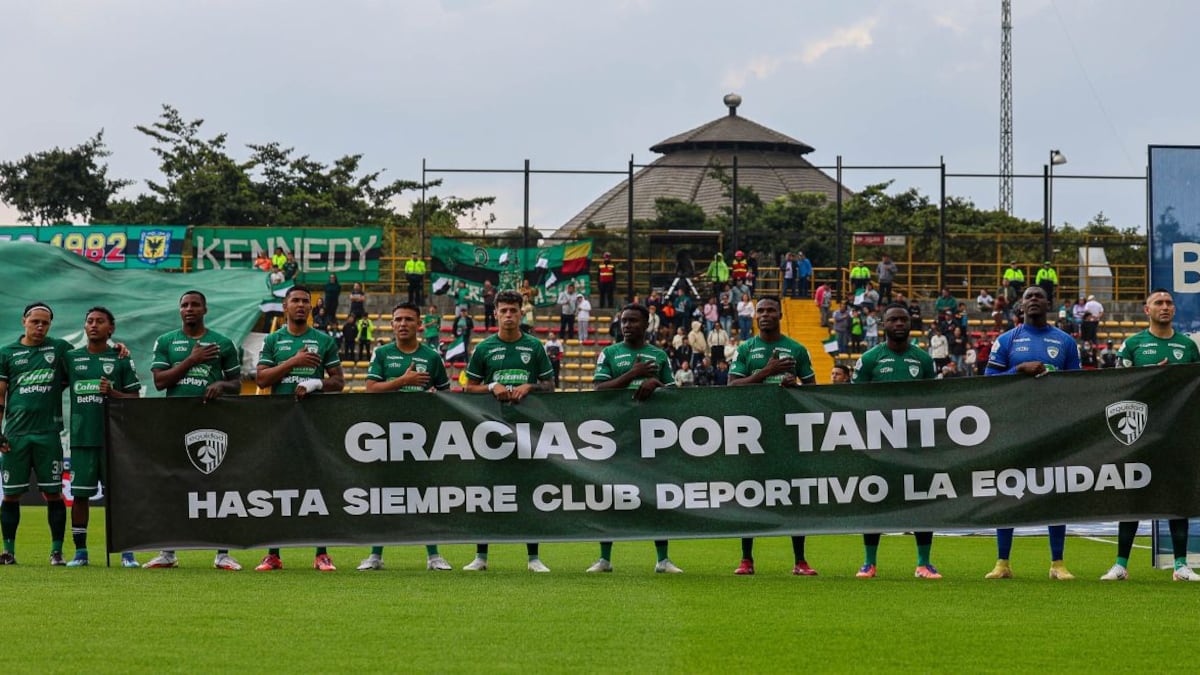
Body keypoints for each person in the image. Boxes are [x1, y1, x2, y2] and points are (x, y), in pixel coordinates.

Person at [140, 291, 245, 570]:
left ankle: (223, 553)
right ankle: (167, 552)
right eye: (184, 305)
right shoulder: (166, 341)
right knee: (172, 485)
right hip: (175, 421)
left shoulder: (223, 343)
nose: (189, 309)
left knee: (217, 484)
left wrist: (221, 385)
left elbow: (236, 383)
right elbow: (160, 382)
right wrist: (192, 359)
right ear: (179, 310)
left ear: (205, 309)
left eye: (195, 305)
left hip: (212, 423)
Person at [983, 285, 1081, 581]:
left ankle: (1057, 563)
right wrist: (1019, 370)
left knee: (1055, 491)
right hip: (1014, 426)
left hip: (1052, 426)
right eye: (1029, 297)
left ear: (1049, 303)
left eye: (1039, 296)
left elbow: (1079, 386)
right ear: (1021, 305)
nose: (1034, 300)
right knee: (1008, 491)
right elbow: (988, 381)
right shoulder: (1007, 340)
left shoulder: (1065, 341)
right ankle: (1002, 563)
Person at [1102, 289, 1200, 581]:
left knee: (1176, 497)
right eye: (1158, 302)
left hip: (1176, 433)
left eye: (1169, 303)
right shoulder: (1133, 345)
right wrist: (1149, 378)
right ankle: (1121, 565)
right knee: (1132, 497)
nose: (1165, 307)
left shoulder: (1188, 347)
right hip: (1139, 434)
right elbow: (1117, 386)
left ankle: (1180, 565)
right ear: (1147, 310)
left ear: (1174, 310)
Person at [461, 290, 555, 572]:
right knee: (486, 493)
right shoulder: (484, 348)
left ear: (521, 313)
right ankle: (481, 556)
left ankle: (534, 558)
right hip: (491, 430)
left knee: (529, 493)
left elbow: (550, 385)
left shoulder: (534, 347)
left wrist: (530, 386)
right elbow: (468, 387)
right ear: (495, 314)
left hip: (527, 430)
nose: (509, 315)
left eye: (514, 310)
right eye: (503, 311)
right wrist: (492, 386)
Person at [254, 285, 345, 571]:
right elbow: (262, 379)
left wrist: (315, 383)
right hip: (280, 423)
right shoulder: (273, 340)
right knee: (277, 487)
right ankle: (273, 554)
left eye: (306, 301)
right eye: (295, 300)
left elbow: (338, 382)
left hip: (314, 424)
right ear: (285, 306)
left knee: (318, 487)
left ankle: (321, 553)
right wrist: (294, 362)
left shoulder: (323, 340)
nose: (301, 305)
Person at [358, 302, 453, 572]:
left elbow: (447, 395)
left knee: (425, 494)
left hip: (421, 436)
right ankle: (375, 555)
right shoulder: (382, 353)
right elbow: (371, 389)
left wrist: (435, 400)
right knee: (382, 494)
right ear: (391, 324)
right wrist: (403, 381)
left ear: (419, 324)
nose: (403, 324)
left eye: (409, 319)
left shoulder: (432, 357)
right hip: (385, 434)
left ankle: (434, 556)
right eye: (398, 319)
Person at [728, 295, 818, 576]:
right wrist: (765, 372)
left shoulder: (797, 349)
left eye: (771, 310)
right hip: (753, 433)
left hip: (788, 433)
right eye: (761, 311)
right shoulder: (746, 349)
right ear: (755, 316)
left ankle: (800, 561)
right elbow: (732, 386)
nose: (765, 315)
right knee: (750, 495)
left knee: (794, 496)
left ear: (780, 315)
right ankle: (746, 559)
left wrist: (795, 386)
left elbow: (814, 391)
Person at [589, 303, 681, 574]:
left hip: (652, 436)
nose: (627, 325)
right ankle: (604, 559)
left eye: (633, 321)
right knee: (610, 496)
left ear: (646, 324)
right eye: (624, 321)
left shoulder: (659, 355)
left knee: (657, 496)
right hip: (616, 434)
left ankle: (663, 559)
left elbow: (674, 394)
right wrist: (633, 374)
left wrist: (656, 384)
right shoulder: (610, 353)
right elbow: (598, 389)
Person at [851, 303, 940, 579]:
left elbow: (936, 399)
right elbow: (850, 400)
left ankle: (924, 563)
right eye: (893, 319)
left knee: (923, 499)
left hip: (916, 443)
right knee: (875, 499)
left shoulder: (923, 360)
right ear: (884, 324)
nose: (899, 323)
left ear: (911, 324)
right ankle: (869, 563)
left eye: (903, 319)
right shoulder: (870, 359)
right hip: (878, 443)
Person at [64, 307, 142, 568]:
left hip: (113, 441)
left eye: (100, 321)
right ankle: (80, 553)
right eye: (89, 321)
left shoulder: (120, 358)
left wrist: (113, 393)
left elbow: (135, 399)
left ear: (111, 328)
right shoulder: (71, 358)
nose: (93, 325)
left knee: (119, 497)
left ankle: (127, 553)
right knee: (80, 496)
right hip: (82, 439)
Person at [0, 303, 72, 566]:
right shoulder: (7, 353)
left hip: (48, 434)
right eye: (35, 322)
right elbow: (0, 396)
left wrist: (118, 348)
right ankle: (8, 551)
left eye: (45, 323)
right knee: (11, 495)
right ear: (24, 321)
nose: (40, 327)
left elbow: (88, 359)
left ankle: (56, 552)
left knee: (53, 493)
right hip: (15, 436)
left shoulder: (60, 348)